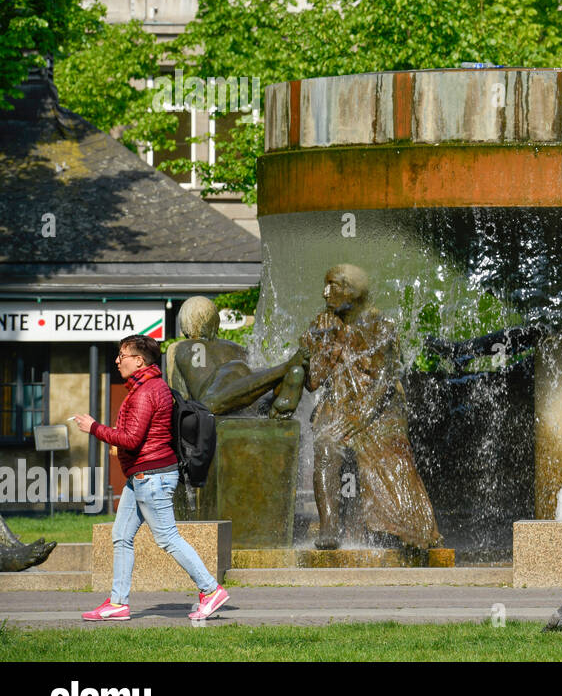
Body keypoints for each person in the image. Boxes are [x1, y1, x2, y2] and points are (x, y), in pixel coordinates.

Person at [70, 334, 228, 621]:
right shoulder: (149, 387)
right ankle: (118, 603)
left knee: (168, 538)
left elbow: (131, 439)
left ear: (139, 360)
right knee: (121, 536)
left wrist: (94, 427)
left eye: (122, 355)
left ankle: (210, 589)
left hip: (151, 477)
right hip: (141, 477)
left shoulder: (146, 392)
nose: (117, 360)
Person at [299, 264, 441, 551]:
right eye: (325, 285)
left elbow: (386, 381)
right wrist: (320, 340)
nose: (325, 292)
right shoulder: (325, 324)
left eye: (333, 285)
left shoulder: (382, 327)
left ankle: (409, 526)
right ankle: (329, 528)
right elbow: (313, 382)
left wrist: (360, 417)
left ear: (353, 290)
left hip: (379, 410)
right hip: (338, 408)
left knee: (389, 449)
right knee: (326, 445)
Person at [169, 296, 304, 418]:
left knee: (208, 403)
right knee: (256, 400)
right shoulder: (237, 347)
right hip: (244, 394)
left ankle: (285, 368)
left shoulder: (181, 347)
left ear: (184, 324)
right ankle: (276, 393)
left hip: (216, 396)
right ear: (216, 321)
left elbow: (177, 397)